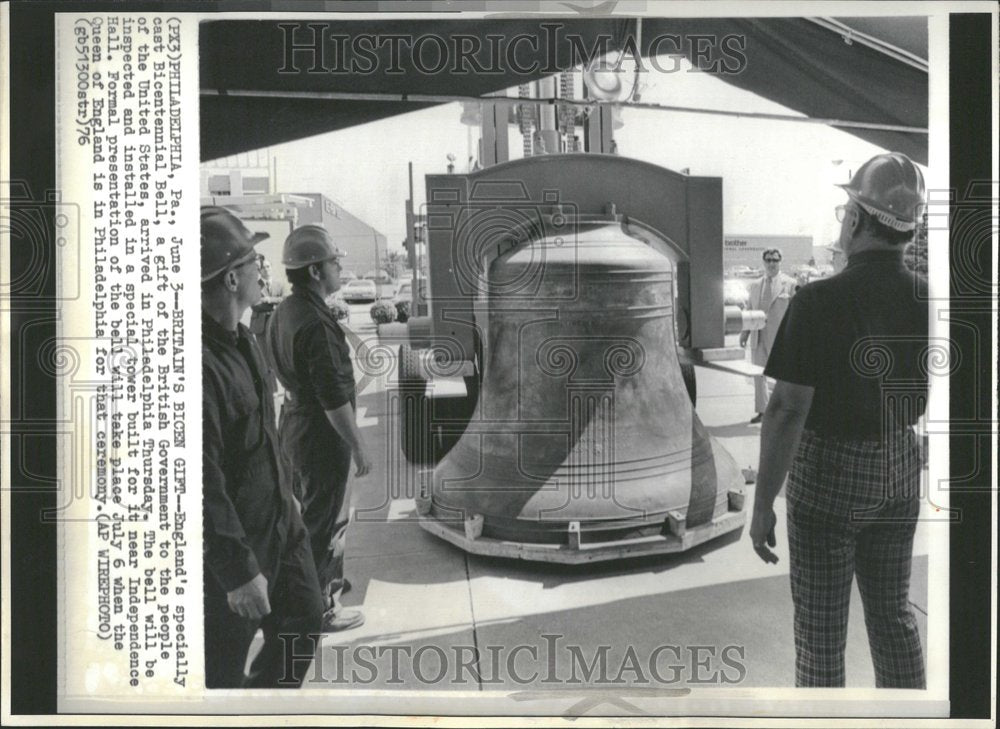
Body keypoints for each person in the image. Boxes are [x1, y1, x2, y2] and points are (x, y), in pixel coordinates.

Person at [749, 152, 928, 688]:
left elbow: (785, 409)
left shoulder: (818, 300)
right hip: (899, 463)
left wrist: (762, 507)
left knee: (822, 633)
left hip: (828, 474)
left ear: (855, 219)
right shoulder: (930, 297)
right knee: (894, 619)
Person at [200, 206, 323, 688]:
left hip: (279, 526)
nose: (263, 269)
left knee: (304, 619)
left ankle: (264, 706)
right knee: (219, 676)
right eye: (254, 261)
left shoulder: (246, 339)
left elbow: (265, 435)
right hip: (237, 549)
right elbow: (201, 481)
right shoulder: (198, 365)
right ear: (232, 279)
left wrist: (287, 493)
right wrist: (236, 573)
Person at [267, 224, 372, 633]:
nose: (339, 269)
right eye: (333, 262)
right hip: (321, 435)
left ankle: (313, 591)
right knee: (326, 522)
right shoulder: (315, 322)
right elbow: (333, 399)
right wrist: (359, 446)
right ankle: (322, 606)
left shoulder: (284, 312)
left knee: (305, 517)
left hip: (294, 426)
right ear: (314, 271)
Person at [740, 248, 797, 423]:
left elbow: (796, 312)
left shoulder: (790, 284)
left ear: (780, 262)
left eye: (775, 260)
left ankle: (785, 411)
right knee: (759, 375)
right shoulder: (755, 285)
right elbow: (750, 310)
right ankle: (762, 411)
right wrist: (744, 334)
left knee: (783, 376)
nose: (772, 263)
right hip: (759, 336)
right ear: (764, 262)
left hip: (781, 338)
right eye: (768, 260)